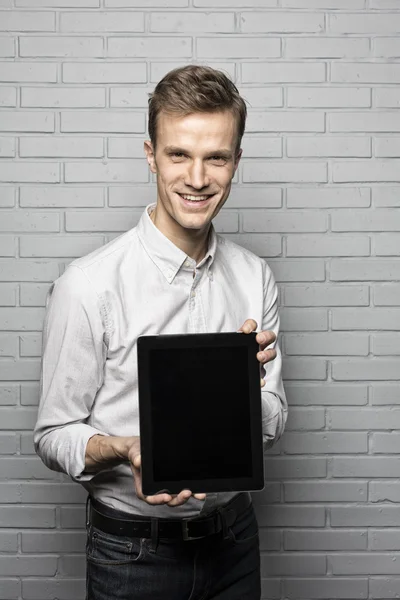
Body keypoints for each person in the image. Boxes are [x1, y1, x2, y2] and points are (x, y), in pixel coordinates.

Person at [34, 65, 287, 600]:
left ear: (235, 161)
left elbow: (274, 419)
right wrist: (126, 448)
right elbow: (53, 436)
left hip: (234, 542)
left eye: (216, 157)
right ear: (150, 154)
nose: (197, 179)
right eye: (179, 155)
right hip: (132, 554)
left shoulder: (254, 277)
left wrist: (243, 395)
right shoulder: (88, 285)